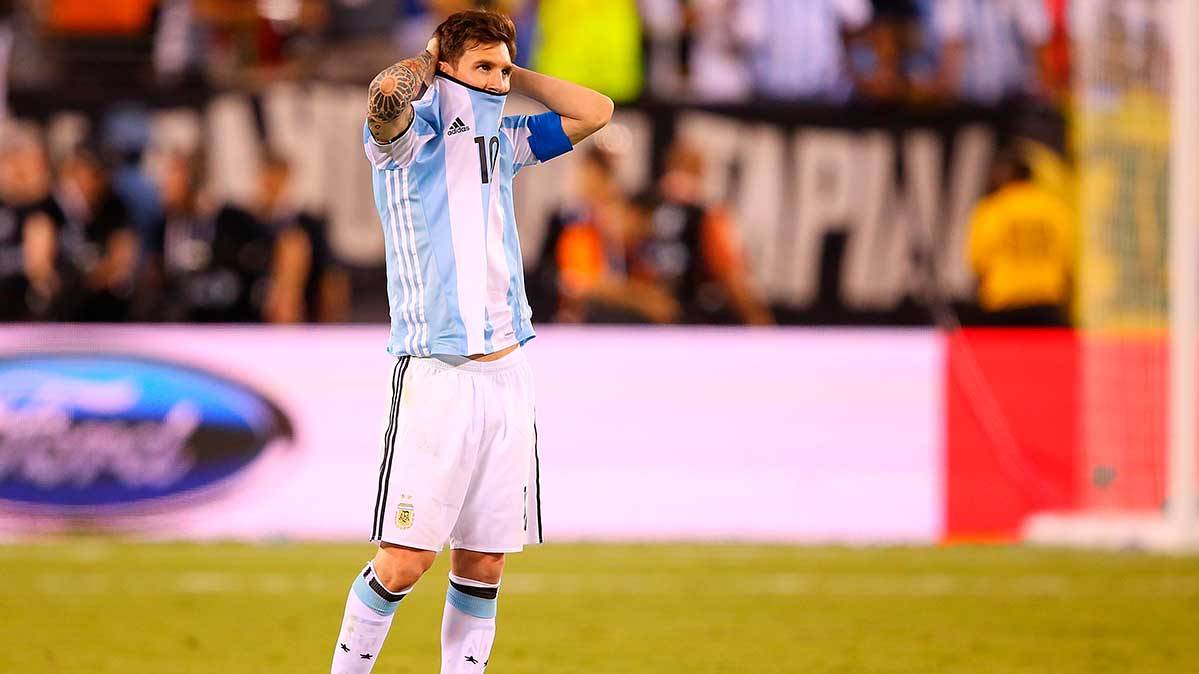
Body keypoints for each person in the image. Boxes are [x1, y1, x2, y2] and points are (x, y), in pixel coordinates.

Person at [329, 9, 611, 674]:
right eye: (482, 68)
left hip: (507, 374)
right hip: (437, 374)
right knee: (404, 561)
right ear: (447, 66)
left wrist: (514, 73)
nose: (494, 82)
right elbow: (382, 99)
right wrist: (434, 63)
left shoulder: (504, 141)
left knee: (484, 562)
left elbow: (596, 110)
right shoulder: (404, 143)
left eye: (501, 68)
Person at [966, 149, 1073, 326]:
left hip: (1005, 302)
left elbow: (978, 261)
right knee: (1043, 354)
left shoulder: (993, 209)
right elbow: (1068, 257)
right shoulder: (1056, 209)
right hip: (1047, 300)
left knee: (1005, 354)